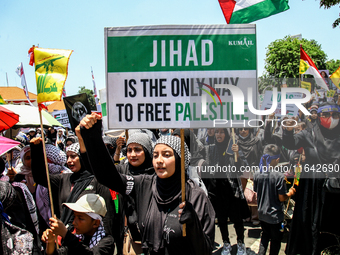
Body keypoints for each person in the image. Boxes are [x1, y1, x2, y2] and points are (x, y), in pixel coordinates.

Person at [78, 113, 215, 255]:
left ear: (180, 160)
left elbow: (205, 249)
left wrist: (194, 226)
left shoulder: (195, 196)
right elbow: (107, 176)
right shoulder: (144, 184)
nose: (159, 160)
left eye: (167, 155)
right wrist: (92, 136)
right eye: (155, 155)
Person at [29, 139, 119, 251]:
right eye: (67, 157)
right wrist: (36, 149)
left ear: (82, 157)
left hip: (90, 239)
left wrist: (105, 241)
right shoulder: (64, 178)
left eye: (73, 156)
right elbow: (40, 177)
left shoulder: (96, 181)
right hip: (66, 237)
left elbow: (107, 215)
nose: (69, 161)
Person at [283, 102, 340, 254]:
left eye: (335, 115)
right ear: (319, 117)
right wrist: (288, 131)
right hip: (313, 188)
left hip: (335, 191)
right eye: (326, 115)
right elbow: (291, 143)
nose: (331, 118)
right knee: (309, 223)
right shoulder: (309, 133)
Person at [209, 128, 248, 255]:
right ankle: (226, 243)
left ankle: (241, 243)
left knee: (237, 219)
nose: (218, 134)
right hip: (218, 192)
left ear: (226, 134)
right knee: (221, 220)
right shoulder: (212, 149)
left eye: (221, 132)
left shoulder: (233, 148)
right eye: (217, 132)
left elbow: (242, 169)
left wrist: (238, 156)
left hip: (232, 191)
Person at [254, 144, 296, 255]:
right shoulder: (279, 176)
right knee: (275, 240)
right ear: (277, 160)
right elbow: (281, 197)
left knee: (265, 236)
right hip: (275, 216)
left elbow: (256, 190)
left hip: (262, 214)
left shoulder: (258, 173)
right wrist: (290, 193)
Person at [41, 193, 114, 255]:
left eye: (80, 218)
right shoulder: (78, 238)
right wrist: (50, 242)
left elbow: (88, 253)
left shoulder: (107, 242)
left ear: (95, 223)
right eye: (74, 217)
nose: (74, 222)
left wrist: (65, 233)